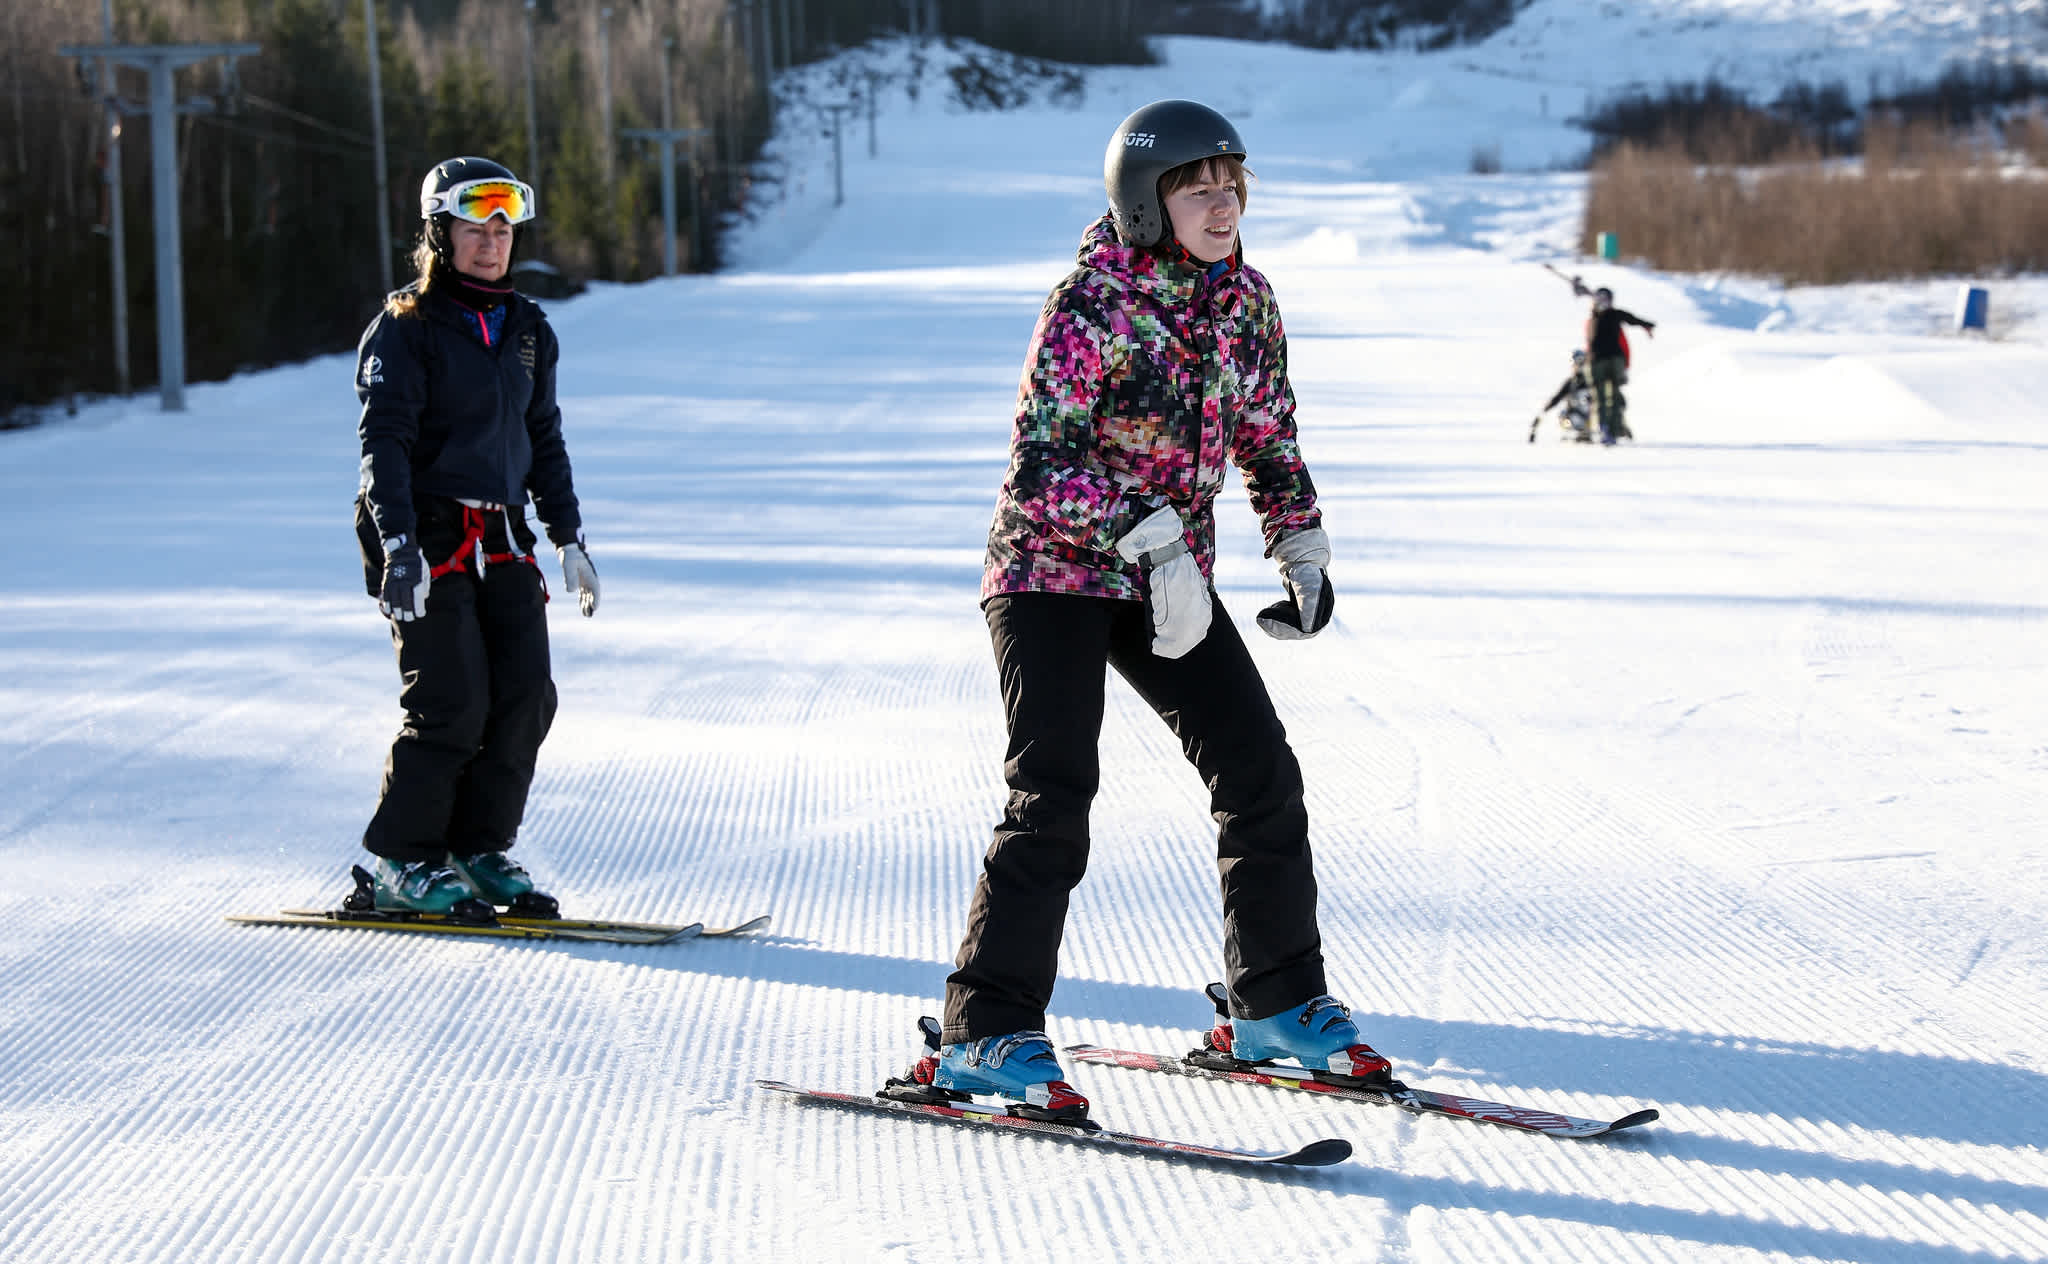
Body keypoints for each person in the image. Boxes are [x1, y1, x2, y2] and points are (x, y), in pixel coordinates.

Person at [893, 101, 1393, 1124]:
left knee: (1256, 767)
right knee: (1053, 787)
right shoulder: (1090, 300)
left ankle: (1273, 1001)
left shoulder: (1246, 301)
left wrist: (1296, 535)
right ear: (1141, 202)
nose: (1220, 203)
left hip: (1161, 578)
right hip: (1050, 570)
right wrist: (1149, 531)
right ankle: (983, 1029)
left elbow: (1267, 435)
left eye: (1231, 184)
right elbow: (1040, 471)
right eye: (1194, 186)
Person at [350, 156, 600, 920]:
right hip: (423, 534)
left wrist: (566, 535)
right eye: (473, 227)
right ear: (440, 234)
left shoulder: (527, 330)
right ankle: (404, 860)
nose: (492, 242)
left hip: (501, 536)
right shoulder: (405, 329)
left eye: (502, 227)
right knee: (450, 700)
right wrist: (397, 546)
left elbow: (542, 437)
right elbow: (383, 443)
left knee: (525, 696)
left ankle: (475, 847)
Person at [1581, 286, 1654, 444]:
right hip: (1597, 362)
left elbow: (1632, 319)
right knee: (1600, 398)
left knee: (1613, 397)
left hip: (1613, 361)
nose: (1601, 302)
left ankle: (1613, 430)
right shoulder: (1593, 318)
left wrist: (1647, 325)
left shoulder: (1613, 315)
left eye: (1604, 299)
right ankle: (1605, 429)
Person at [1529, 348, 1594, 443]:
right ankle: (1578, 431)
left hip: (1592, 420)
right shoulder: (1571, 383)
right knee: (1564, 415)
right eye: (1576, 363)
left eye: (1581, 363)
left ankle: (1590, 430)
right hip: (1572, 419)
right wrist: (1542, 413)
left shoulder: (1593, 382)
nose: (1578, 366)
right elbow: (1556, 399)